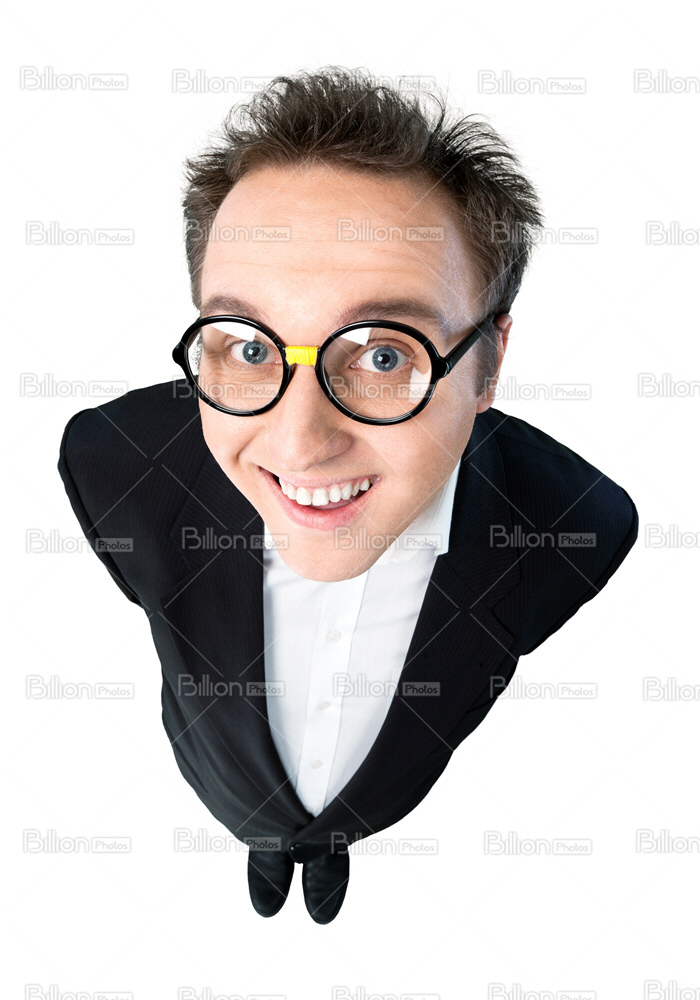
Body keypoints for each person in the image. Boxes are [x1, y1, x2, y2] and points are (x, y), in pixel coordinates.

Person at [58, 67, 638, 924]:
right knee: (263, 819)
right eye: (250, 347)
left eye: (382, 353)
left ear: (489, 364)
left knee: (332, 828)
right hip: (227, 780)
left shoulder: (575, 526)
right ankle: (267, 843)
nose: (298, 444)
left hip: (379, 796)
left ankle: (328, 847)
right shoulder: (113, 463)